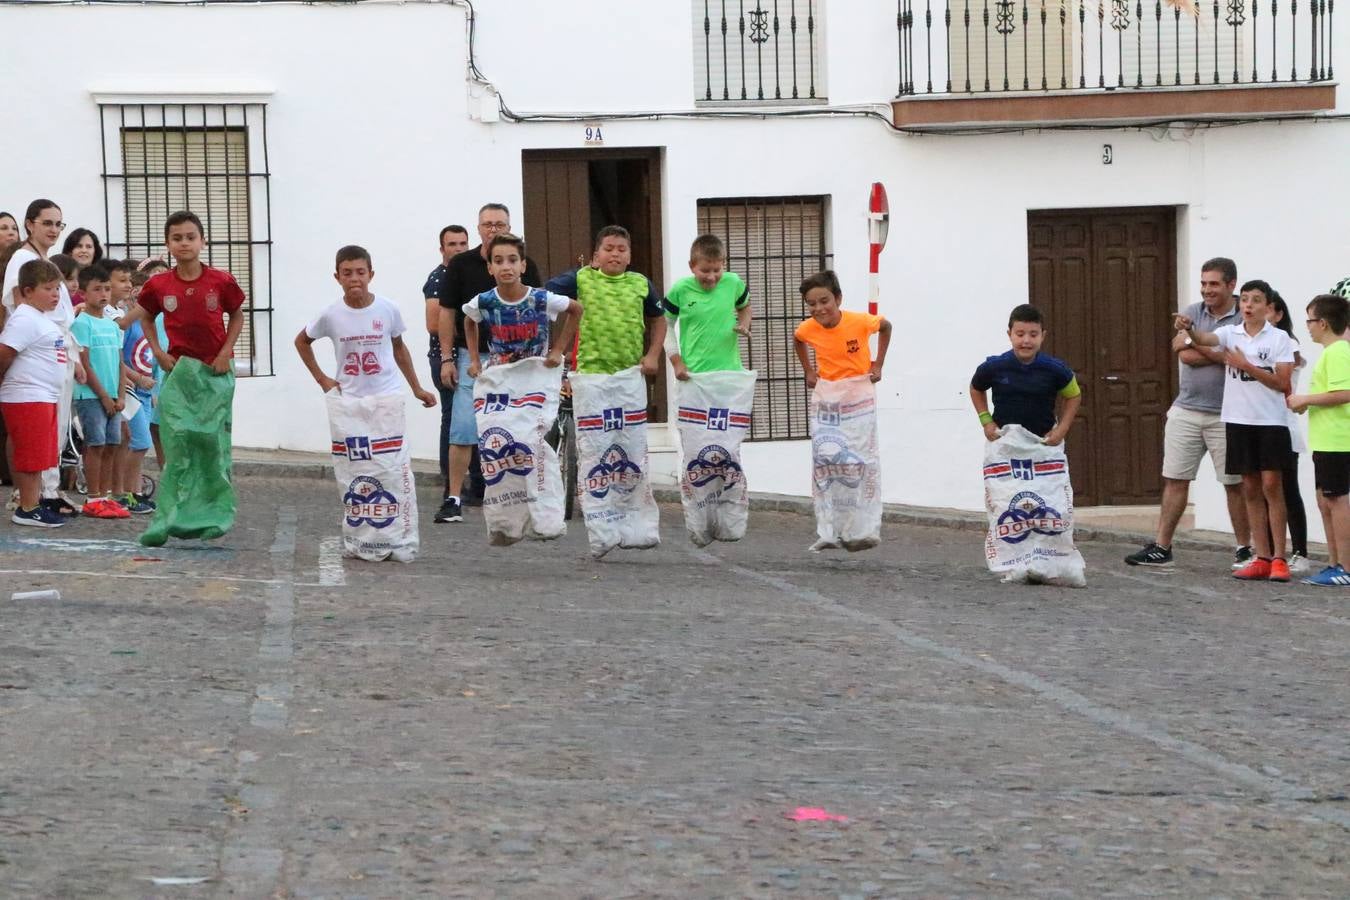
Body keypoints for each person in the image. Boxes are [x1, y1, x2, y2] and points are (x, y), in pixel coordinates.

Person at [120, 210, 245, 546]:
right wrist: (159, 352)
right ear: (168, 243)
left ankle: (212, 516)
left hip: (215, 374)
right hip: (179, 373)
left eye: (190, 237)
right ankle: (167, 519)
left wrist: (224, 353)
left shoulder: (220, 281)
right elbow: (145, 317)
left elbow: (236, 315)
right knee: (177, 445)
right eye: (177, 238)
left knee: (211, 447)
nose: (184, 243)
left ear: (202, 241)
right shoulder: (159, 285)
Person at [1125, 258, 1251, 568]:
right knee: (1175, 479)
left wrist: (1195, 344)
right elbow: (1179, 350)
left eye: (1214, 284)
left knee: (1235, 483)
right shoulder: (1194, 312)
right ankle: (1162, 546)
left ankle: (1245, 548)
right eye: (1204, 283)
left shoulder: (1242, 317)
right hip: (1186, 408)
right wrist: (1205, 350)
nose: (1207, 290)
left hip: (1227, 413)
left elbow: (1234, 357)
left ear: (1231, 285)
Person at [1176, 281, 1296, 581]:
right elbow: (1204, 337)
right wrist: (1188, 329)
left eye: (1256, 300)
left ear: (1267, 307)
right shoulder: (1231, 333)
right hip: (1238, 419)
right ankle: (1261, 555)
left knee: (1272, 485)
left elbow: (1282, 383)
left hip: (1270, 420)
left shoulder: (1279, 339)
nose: (1248, 305)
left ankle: (1280, 556)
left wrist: (1246, 365)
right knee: (1250, 487)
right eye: (1244, 299)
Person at [435, 203, 543, 523]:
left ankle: (526, 497)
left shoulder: (527, 265)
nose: (493, 229)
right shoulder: (461, 265)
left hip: (517, 359)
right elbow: (448, 312)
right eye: (488, 224)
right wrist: (446, 358)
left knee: (521, 429)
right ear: (478, 229)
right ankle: (453, 497)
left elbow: (539, 308)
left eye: (500, 224)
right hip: (474, 359)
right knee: (464, 427)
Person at [2, 200, 83, 518]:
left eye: (58, 224)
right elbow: (13, 306)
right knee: (32, 433)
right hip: (35, 352)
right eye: (46, 223)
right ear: (30, 224)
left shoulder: (44, 260)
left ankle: (48, 490)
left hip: (57, 350)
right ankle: (31, 495)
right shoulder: (23, 258)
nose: (53, 230)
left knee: (55, 429)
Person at [296, 244, 437, 405]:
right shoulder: (330, 314)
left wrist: (417, 388)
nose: (354, 278)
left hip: (387, 397)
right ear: (338, 277)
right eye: (347, 273)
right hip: (348, 399)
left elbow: (398, 348)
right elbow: (301, 342)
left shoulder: (388, 308)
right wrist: (322, 379)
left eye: (360, 272)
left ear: (370, 275)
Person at [0, 260, 72, 527]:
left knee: (41, 453)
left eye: (57, 289)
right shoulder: (24, 318)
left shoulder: (40, 318)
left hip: (43, 395)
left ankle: (34, 501)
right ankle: (27, 507)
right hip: (27, 395)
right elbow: (5, 352)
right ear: (28, 291)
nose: (55, 295)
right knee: (30, 454)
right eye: (48, 289)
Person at [544, 225, 666, 377]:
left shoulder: (642, 283)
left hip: (630, 373)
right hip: (590, 372)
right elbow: (545, 293)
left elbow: (659, 320)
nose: (615, 254)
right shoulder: (582, 278)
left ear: (629, 257)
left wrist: (653, 355)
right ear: (596, 257)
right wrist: (557, 349)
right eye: (608, 249)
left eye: (621, 250)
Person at [1288, 294, 1350, 586]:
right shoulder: (1330, 352)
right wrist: (1307, 404)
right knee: (1326, 501)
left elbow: (1344, 393)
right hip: (1326, 440)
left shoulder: (1338, 352)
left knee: (1337, 501)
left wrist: (1305, 398)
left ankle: (1346, 567)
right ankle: (1334, 562)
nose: (1308, 327)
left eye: (1310, 320)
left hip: (1338, 440)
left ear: (1323, 323)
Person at [968, 304, 1080, 445]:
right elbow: (976, 388)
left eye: (1033, 335)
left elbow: (1074, 395)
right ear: (1010, 334)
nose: (1026, 341)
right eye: (1020, 334)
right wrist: (986, 421)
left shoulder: (1055, 369)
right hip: (1003, 444)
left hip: (1043, 444)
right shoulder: (994, 366)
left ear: (1042, 336)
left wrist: (1062, 429)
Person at [70, 263, 131, 519]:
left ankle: (105, 496)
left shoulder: (112, 325)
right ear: (83, 293)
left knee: (111, 445)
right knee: (95, 444)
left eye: (106, 289)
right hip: (91, 395)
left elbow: (119, 362)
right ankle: (93, 496)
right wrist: (104, 396)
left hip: (113, 396)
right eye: (97, 289)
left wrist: (120, 394)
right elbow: (85, 364)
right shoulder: (82, 324)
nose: (103, 294)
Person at [1264, 290, 1310, 573]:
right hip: (1259, 423)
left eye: (1265, 308)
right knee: (1265, 489)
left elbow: (1293, 362)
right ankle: (1268, 551)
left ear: (1278, 314)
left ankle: (1300, 552)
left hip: (1283, 423)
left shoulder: (1286, 342)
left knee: (1288, 489)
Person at [425, 224, 469, 519]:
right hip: (446, 358)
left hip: (466, 355)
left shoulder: (468, 274)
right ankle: (450, 484)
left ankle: (471, 484)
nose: (458, 248)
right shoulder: (438, 279)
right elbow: (432, 323)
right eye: (452, 244)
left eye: (463, 243)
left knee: (466, 420)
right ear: (442, 249)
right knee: (453, 420)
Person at [664, 234, 751, 380]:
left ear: (723, 263)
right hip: (693, 375)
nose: (711, 277)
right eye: (705, 271)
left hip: (729, 374)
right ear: (691, 266)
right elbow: (665, 325)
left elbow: (745, 306)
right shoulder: (680, 289)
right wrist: (676, 362)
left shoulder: (734, 282)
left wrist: (744, 324)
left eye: (717, 270)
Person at [793, 269, 891, 388]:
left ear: (838, 299)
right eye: (812, 304)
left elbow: (886, 326)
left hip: (860, 390)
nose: (818, 308)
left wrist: (878, 365)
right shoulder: (808, 328)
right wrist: (808, 370)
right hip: (828, 392)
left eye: (824, 301)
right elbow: (798, 339)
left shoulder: (859, 321)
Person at [112, 258, 157, 514]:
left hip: (146, 392)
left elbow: (152, 356)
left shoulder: (148, 323)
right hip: (130, 390)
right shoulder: (126, 324)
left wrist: (152, 390)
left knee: (140, 443)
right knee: (138, 441)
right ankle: (128, 493)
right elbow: (117, 359)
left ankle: (135, 492)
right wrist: (137, 380)